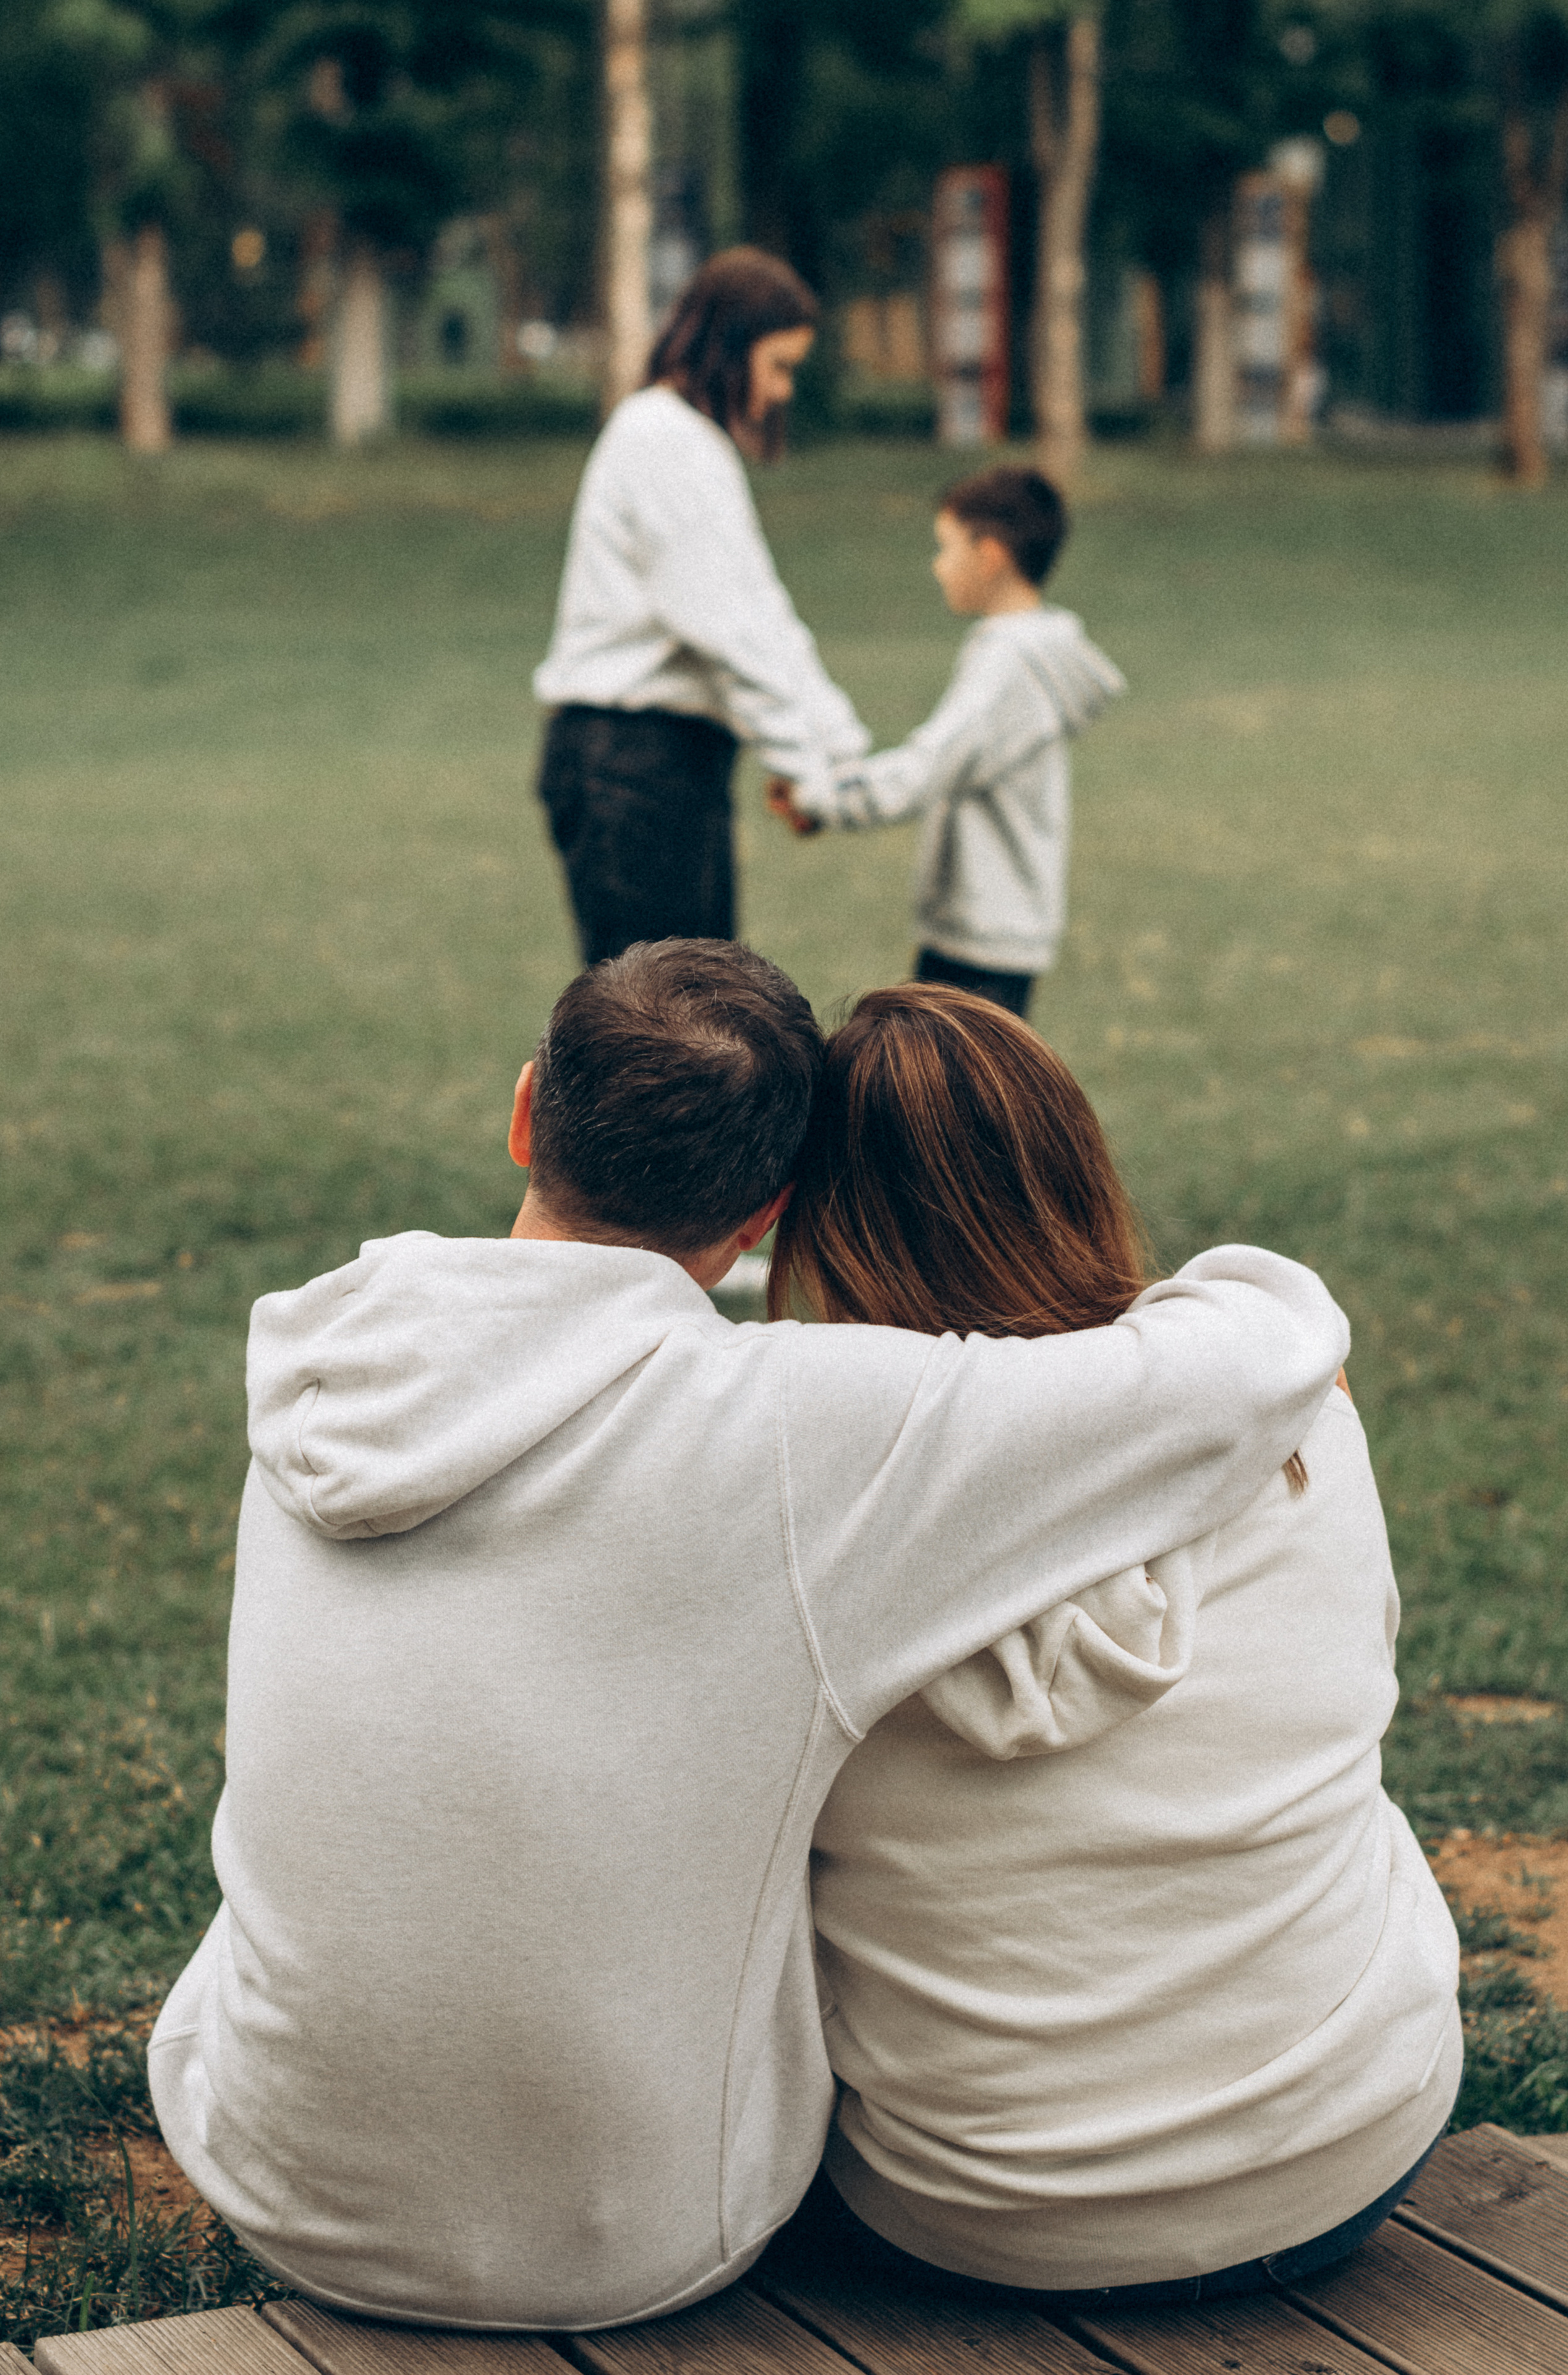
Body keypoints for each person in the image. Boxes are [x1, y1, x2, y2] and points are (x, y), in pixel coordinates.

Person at [147, 939, 1347, 2335]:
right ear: (772, 1206)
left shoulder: (322, 1359)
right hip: (627, 2246)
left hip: (264, 2172)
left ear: (528, 1110)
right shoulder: (792, 1434)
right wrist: (1262, 1296)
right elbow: (1247, 1363)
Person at [764, 984, 1462, 2307]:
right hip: (1345, 2153)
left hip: (969, 2212)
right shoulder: (1302, 1414)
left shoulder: (800, 1522)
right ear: (1078, 1170)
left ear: (822, 1226)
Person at [534, 250, 869, 964]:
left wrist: (838, 750)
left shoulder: (692, 445)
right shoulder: (661, 438)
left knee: (699, 1017)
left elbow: (763, 612)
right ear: (728, 346)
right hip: (628, 762)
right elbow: (721, 629)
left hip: (668, 766)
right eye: (777, 366)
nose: (781, 391)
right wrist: (803, 768)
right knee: (654, 1040)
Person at [769, 466, 1123, 1018]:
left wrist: (819, 797)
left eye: (947, 548)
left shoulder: (1011, 663)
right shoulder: (1023, 653)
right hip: (988, 927)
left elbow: (926, 770)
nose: (938, 566)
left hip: (984, 939)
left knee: (951, 1101)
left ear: (990, 556)